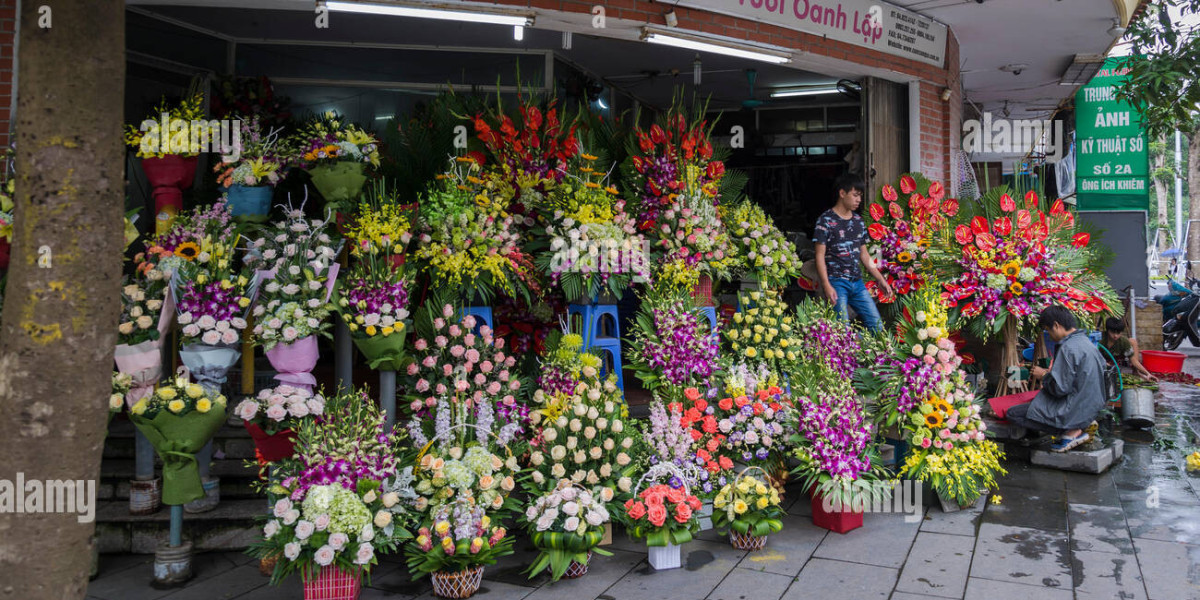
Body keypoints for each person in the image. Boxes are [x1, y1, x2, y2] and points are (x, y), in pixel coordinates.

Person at [1005, 306, 1106, 452]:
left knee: (1013, 413)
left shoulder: (1068, 348)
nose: (1049, 335)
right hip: (1090, 406)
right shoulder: (1086, 343)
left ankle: (1071, 431)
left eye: (1048, 330)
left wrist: (1043, 375)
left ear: (1057, 326)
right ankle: (1080, 424)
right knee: (1034, 405)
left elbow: (1060, 389)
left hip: (1073, 408)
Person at [813, 174, 894, 332]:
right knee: (843, 331)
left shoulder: (858, 221)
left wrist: (880, 279)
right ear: (842, 193)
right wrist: (826, 285)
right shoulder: (825, 220)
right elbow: (819, 256)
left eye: (860, 196)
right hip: (836, 283)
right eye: (855, 195)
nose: (858, 200)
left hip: (857, 283)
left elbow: (864, 255)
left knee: (877, 328)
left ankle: (861, 350)